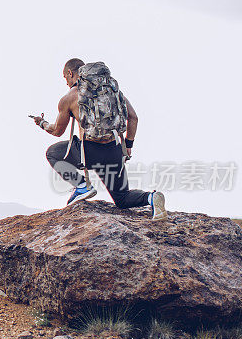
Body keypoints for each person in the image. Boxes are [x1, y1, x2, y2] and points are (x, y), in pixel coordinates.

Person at [31, 58, 167, 220]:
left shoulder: (69, 98)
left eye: (65, 78)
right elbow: (133, 117)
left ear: (70, 73)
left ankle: (82, 186)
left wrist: (42, 123)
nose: (66, 82)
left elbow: (57, 131)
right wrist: (128, 146)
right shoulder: (112, 90)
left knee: (52, 152)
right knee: (122, 198)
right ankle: (151, 198)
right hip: (114, 152)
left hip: (88, 153)